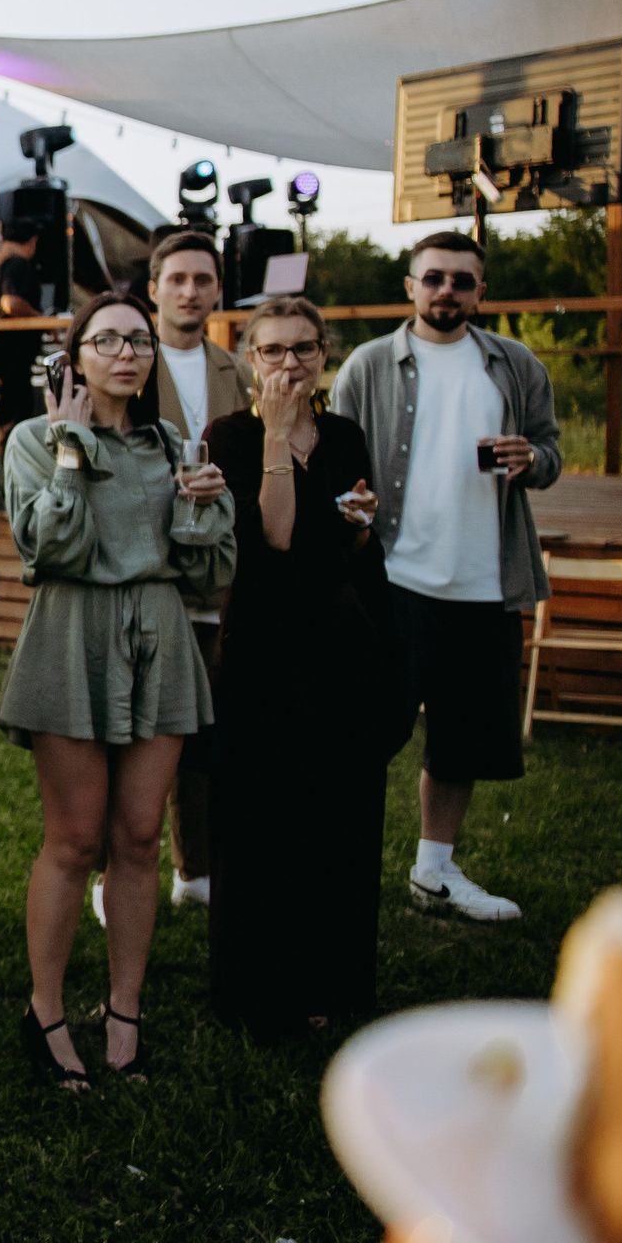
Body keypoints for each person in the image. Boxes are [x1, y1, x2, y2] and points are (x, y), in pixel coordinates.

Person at [0, 292, 234, 1087]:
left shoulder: (172, 446)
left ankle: (124, 1012)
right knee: (74, 839)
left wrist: (205, 510)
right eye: (108, 340)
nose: (127, 353)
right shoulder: (33, 439)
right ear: (76, 357)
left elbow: (208, 572)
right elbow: (47, 551)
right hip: (73, 636)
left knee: (138, 837)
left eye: (139, 341)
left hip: (160, 636)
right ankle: (45, 1011)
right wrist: (71, 452)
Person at [330, 231, 560, 923]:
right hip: (394, 579)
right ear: (410, 286)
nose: (446, 291)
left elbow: (549, 452)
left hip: (486, 583)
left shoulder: (515, 364)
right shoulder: (369, 364)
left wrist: (532, 459)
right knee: (365, 733)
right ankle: (337, 868)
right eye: (433, 278)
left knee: (463, 741)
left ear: (480, 292)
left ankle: (434, 872)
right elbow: (335, 458)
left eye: (462, 280)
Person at [206, 297, 402, 1032]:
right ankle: (263, 991)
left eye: (304, 349)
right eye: (274, 350)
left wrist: (359, 525)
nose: (290, 363)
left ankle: (333, 983)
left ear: (325, 355)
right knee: (263, 816)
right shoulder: (231, 434)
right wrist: (278, 434)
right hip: (263, 643)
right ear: (250, 360)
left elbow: (352, 543)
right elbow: (276, 536)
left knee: (339, 813)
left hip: (341, 639)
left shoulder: (345, 434)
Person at [145, 229, 253, 910]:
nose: (189, 291)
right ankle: (114, 870)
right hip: (147, 571)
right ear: (153, 288)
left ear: (218, 290)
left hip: (215, 573)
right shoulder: (127, 361)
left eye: (202, 279)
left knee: (205, 726)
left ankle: (195, 868)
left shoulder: (237, 372)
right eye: (177, 279)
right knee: (138, 731)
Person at [0, 216, 48, 433]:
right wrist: (41, 319)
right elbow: (11, 303)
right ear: (33, 241)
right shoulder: (18, 265)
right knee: (12, 423)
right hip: (9, 356)